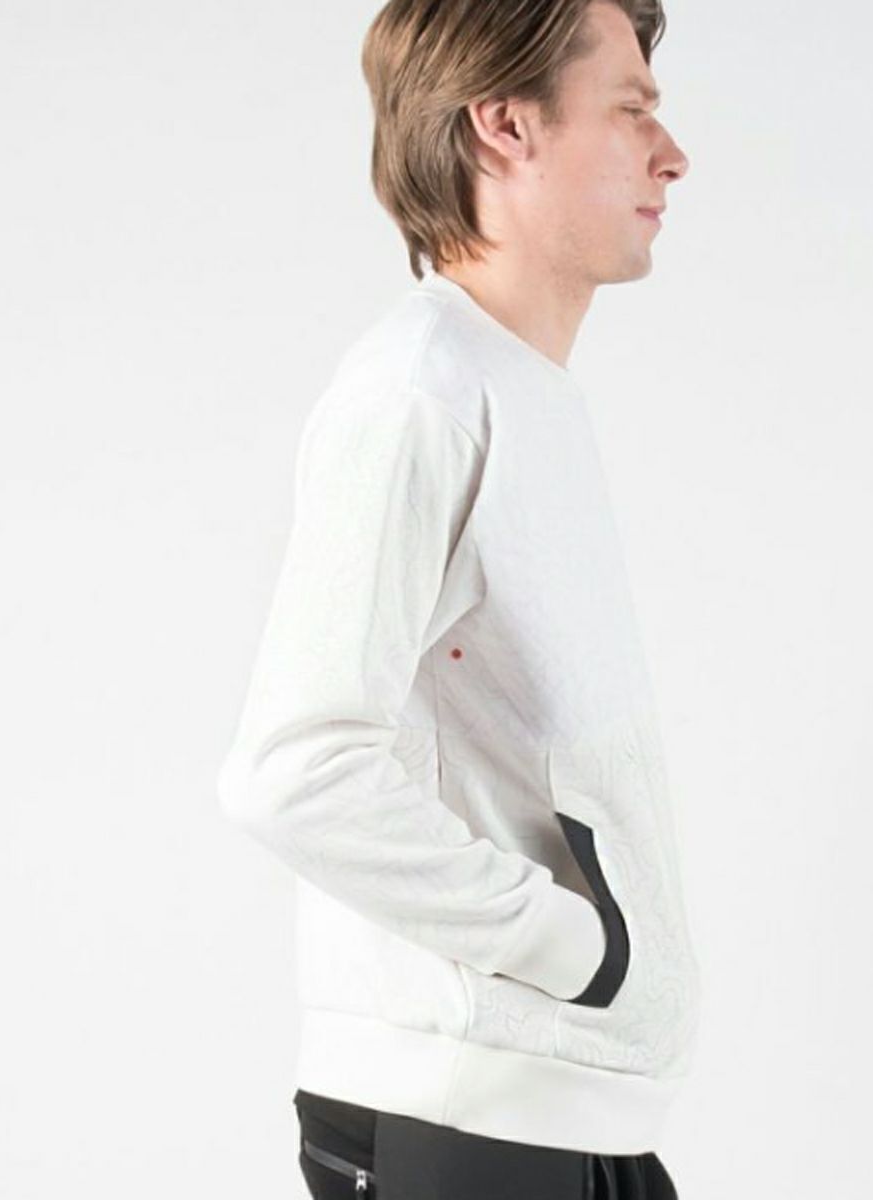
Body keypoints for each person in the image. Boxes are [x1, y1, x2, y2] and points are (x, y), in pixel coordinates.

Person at [217, 1, 698, 1195]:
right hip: (466, 1117)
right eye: (630, 110)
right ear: (505, 126)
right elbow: (296, 768)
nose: (672, 154)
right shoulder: (419, 396)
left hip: (563, 1110)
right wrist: (574, 948)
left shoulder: (518, 392)